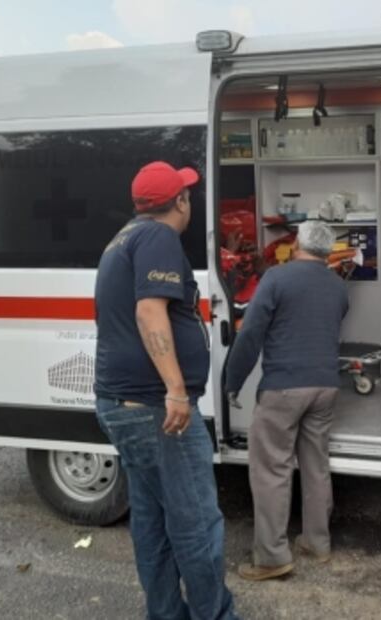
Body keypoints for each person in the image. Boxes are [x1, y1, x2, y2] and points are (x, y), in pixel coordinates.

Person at [94, 161, 238, 620]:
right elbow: (149, 312)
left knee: (153, 521)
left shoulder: (123, 238)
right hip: (156, 409)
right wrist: (175, 389)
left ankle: (165, 613)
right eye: (187, 194)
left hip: (127, 405)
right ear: (180, 200)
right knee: (196, 522)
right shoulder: (158, 237)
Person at [225, 221, 349, 581]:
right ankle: (317, 542)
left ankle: (271, 557)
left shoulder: (276, 278)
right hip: (326, 386)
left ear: (296, 245)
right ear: (328, 251)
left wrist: (233, 381)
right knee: (316, 465)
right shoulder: (338, 286)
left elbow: (251, 334)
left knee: (271, 469)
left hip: (283, 388)